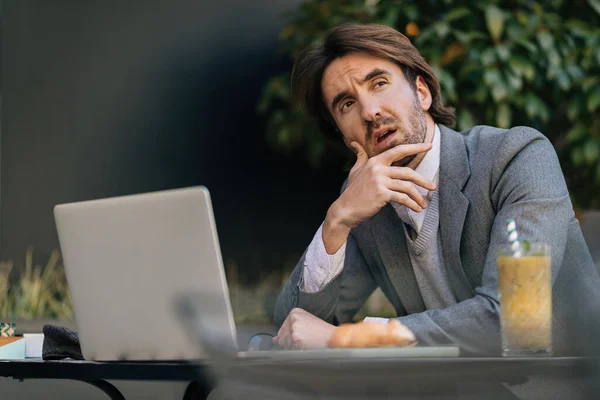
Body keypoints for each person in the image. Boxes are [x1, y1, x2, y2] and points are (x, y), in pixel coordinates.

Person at [273, 22, 600, 356]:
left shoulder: (515, 157)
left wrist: (355, 337)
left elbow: (512, 318)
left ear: (422, 92)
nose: (369, 111)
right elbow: (294, 331)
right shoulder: (365, 203)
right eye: (346, 104)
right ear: (344, 136)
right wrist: (337, 221)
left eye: (379, 83)